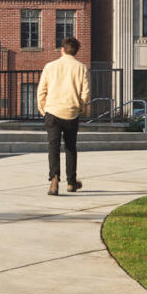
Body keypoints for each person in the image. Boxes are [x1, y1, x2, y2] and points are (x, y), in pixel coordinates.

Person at [37, 34, 91, 195]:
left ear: (62, 50)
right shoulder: (81, 68)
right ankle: (71, 182)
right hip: (71, 112)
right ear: (76, 51)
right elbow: (86, 93)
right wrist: (79, 108)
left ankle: (54, 180)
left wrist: (43, 109)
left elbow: (41, 91)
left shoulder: (50, 66)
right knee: (70, 147)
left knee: (53, 147)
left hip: (53, 111)